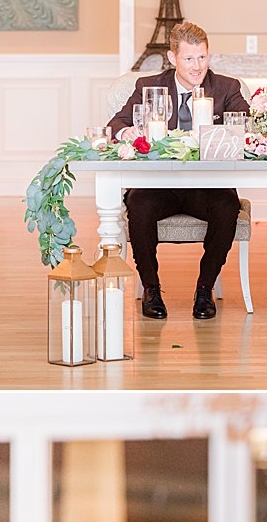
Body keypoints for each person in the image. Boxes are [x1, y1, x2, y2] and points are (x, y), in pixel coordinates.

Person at [107, 22, 250, 321]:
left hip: (207, 187)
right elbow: (115, 126)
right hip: (159, 185)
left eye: (202, 57)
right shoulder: (148, 86)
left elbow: (245, 125)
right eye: (189, 59)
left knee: (228, 206)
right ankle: (151, 289)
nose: (197, 67)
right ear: (173, 58)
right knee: (138, 204)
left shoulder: (226, 87)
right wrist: (129, 135)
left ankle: (204, 289)